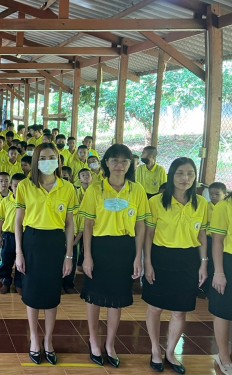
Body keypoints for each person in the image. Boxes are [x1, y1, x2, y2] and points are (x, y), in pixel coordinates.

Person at [79, 144, 148, 368]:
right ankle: (94, 340)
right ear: (106, 163)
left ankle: (110, 344)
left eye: (125, 161)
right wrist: (87, 256)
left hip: (125, 249)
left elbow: (140, 226)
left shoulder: (137, 190)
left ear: (131, 165)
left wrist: (139, 257)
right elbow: (88, 225)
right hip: (100, 247)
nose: (120, 165)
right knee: (94, 298)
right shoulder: (95, 189)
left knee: (116, 301)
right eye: (115, 160)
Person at [142, 157, 208, 374]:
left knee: (180, 311)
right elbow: (149, 235)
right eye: (180, 173)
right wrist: (147, 262)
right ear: (171, 175)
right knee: (155, 308)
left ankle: (170, 352)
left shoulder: (202, 204)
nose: (185, 178)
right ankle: (155, 350)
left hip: (188, 260)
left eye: (190, 173)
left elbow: (202, 235)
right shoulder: (156, 202)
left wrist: (203, 264)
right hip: (161, 258)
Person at [15, 143, 76, 366]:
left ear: (59, 161)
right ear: (35, 161)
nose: (47, 161)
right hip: (32, 241)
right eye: (43, 157)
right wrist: (19, 252)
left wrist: (69, 255)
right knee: (31, 294)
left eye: (52, 157)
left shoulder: (68, 188)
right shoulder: (24, 186)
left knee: (52, 296)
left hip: (55, 243)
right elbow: (18, 221)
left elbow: (70, 224)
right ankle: (34, 339)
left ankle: (48, 341)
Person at [209, 190, 232, 375]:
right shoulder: (224, 206)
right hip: (228, 262)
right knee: (224, 311)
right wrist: (219, 272)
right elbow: (217, 242)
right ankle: (223, 356)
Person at [0, 172, 25, 294]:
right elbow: (0, 219)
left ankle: (19, 284)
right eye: (15, 185)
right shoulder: (6, 201)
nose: (17, 188)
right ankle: (5, 282)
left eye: (20, 186)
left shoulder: (29, 202)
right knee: (6, 260)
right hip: (8, 235)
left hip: (23, 236)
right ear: (11, 186)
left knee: (22, 260)